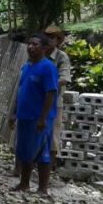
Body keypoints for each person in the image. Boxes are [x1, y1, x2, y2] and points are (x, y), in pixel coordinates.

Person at [11, 34, 59, 195]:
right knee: (25, 150)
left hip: (39, 118)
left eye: (35, 45)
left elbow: (50, 93)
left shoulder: (48, 67)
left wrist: (43, 118)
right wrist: (14, 113)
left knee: (42, 152)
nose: (31, 47)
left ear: (44, 48)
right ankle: (24, 184)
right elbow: (20, 91)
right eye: (29, 44)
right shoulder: (27, 66)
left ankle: (43, 188)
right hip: (24, 115)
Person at [44, 26, 72, 164]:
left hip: (54, 101)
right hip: (37, 100)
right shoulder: (39, 54)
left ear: (58, 40)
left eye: (52, 37)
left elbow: (64, 78)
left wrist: (47, 85)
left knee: (53, 134)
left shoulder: (61, 57)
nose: (49, 40)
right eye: (47, 37)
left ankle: (51, 166)